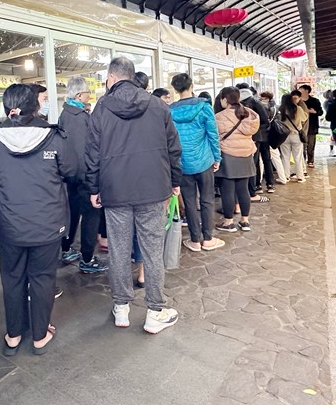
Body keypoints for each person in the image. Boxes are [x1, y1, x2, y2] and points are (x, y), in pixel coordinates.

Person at [85, 56, 182, 333]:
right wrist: (174, 181)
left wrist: (94, 188)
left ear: (111, 78)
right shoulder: (156, 104)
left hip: (115, 190)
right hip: (153, 188)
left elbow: (92, 153)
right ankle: (155, 312)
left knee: (118, 249)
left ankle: (121, 309)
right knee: (152, 250)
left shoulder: (101, 108)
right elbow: (173, 148)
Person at [0, 84, 78, 355]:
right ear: (36, 106)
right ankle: (40, 335)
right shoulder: (55, 139)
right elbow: (71, 170)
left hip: (10, 225)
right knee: (42, 278)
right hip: (46, 224)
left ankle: (13, 335)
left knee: (12, 278)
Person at [57, 76, 108, 274]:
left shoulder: (65, 114)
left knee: (72, 213)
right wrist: (92, 180)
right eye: (88, 92)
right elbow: (82, 152)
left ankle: (67, 248)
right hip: (83, 177)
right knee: (90, 217)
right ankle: (87, 258)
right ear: (79, 95)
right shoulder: (78, 117)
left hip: (70, 176)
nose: (90, 96)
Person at [170, 73, 223, 252]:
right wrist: (217, 157)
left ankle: (194, 240)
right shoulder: (204, 107)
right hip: (204, 161)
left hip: (182, 164)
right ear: (191, 86)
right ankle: (208, 239)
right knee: (207, 200)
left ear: (175, 89)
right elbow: (213, 134)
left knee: (189, 201)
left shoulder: (169, 111)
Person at [214, 87, 260, 232]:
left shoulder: (220, 116)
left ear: (224, 99)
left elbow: (214, 136)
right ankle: (245, 221)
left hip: (228, 154)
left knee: (227, 190)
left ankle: (228, 222)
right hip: (246, 154)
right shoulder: (248, 114)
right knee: (243, 189)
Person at [237, 84, 274, 195]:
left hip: (251, 137)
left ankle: (256, 185)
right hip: (261, 135)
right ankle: (269, 184)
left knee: (255, 161)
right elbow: (265, 120)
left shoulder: (238, 104)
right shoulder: (255, 101)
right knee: (266, 159)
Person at [279, 90, 308, 182]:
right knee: (298, 157)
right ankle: (300, 177)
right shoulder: (297, 108)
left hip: (284, 136)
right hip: (296, 135)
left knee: (285, 157)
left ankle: (286, 176)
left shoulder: (280, 110)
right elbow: (304, 118)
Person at [298, 85, 322, 167]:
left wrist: (314, 112)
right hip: (300, 126)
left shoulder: (315, 101)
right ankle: (302, 160)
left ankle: (310, 160)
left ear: (307, 91)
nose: (299, 91)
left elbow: (320, 112)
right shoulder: (298, 101)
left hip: (312, 126)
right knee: (301, 144)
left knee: (311, 144)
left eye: (301, 89)